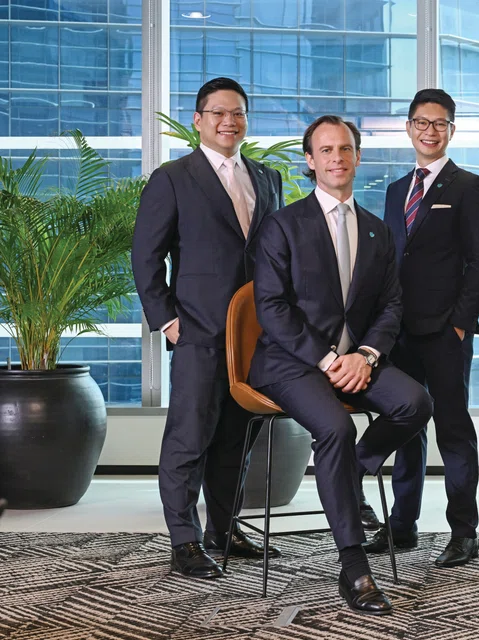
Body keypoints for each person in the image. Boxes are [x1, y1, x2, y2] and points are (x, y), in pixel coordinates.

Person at [249, 115, 433, 615]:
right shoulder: (282, 226)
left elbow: (391, 305)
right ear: (310, 161)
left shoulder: (376, 230)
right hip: (292, 362)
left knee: (416, 402)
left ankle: (351, 471)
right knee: (334, 427)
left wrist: (366, 355)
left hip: (357, 360)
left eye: (345, 148)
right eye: (326, 150)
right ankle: (354, 567)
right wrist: (330, 359)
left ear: (357, 156)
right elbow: (272, 308)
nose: (337, 158)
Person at [131, 77, 283, 579]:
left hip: (254, 336)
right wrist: (167, 320)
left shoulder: (266, 177)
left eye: (237, 113)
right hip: (196, 328)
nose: (229, 121)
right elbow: (146, 256)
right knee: (189, 436)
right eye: (218, 113)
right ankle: (185, 540)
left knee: (235, 439)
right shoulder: (173, 177)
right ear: (198, 120)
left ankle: (224, 528)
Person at [363, 89, 479, 568]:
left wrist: (460, 323)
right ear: (410, 128)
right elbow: (389, 261)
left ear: (451, 130)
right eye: (422, 122)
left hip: (445, 331)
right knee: (404, 427)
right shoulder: (397, 190)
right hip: (398, 331)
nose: (430, 131)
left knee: (453, 430)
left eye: (440, 123)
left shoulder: (469, 187)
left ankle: (464, 532)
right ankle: (403, 525)